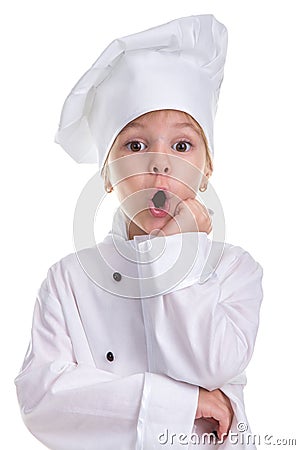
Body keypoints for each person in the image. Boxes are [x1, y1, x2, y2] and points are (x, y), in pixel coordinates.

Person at [14, 14, 264, 449]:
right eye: (135, 145)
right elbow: (41, 399)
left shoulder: (235, 270)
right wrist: (186, 405)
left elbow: (211, 365)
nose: (160, 164)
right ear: (107, 174)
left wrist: (179, 251)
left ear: (207, 170)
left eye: (182, 146)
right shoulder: (68, 279)